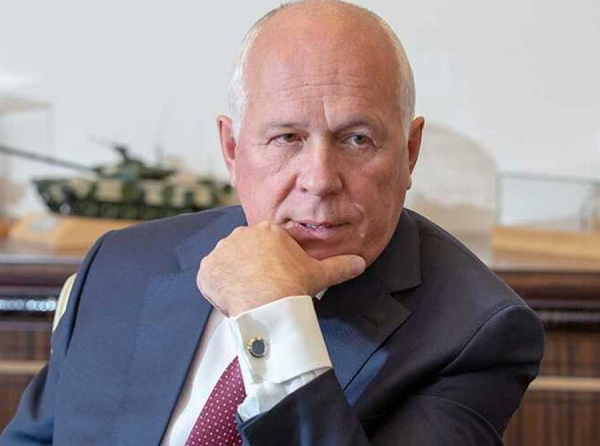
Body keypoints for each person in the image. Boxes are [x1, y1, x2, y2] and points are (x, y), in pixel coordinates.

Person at [1, 1, 544, 445]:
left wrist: (274, 319)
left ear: (409, 151)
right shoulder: (122, 265)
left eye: (357, 139)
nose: (320, 179)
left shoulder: (474, 333)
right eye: (287, 138)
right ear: (232, 149)